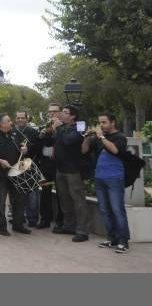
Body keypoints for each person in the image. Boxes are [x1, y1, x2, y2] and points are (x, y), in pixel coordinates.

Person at [82, 112, 128, 252]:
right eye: (100, 123)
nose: (101, 125)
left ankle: (123, 241)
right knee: (104, 210)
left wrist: (101, 136)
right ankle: (111, 238)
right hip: (99, 178)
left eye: (104, 122)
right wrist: (87, 138)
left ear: (112, 122)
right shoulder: (97, 138)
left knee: (117, 210)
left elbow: (114, 150)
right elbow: (84, 151)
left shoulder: (120, 137)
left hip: (115, 178)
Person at [0, 113, 31, 236]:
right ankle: (2, 227)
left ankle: (18, 225)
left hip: (16, 172)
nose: (11, 123)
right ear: (1, 124)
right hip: (0, 175)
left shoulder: (15, 133)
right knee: (1, 201)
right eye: (8, 121)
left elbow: (23, 146)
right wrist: (0, 161)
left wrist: (24, 149)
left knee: (19, 199)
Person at [52, 105, 88, 242]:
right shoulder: (62, 128)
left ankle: (82, 231)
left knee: (78, 201)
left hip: (73, 170)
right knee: (64, 200)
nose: (62, 114)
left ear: (73, 116)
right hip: (60, 169)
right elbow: (52, 142)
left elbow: (69, 140)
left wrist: (59, 128)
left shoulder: (80, 126)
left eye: (65, 113)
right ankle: (69, 226)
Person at [37, 103, 64, 229]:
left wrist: (55, 130)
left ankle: (60, 222)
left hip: (59, 166)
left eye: (54, 111)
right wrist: (42, 136)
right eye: (50, 111)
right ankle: (45, 220)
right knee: (45, 193)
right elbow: (42, 146)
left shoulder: (63, 127)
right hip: (46, 166)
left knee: (60, 195)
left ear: (60, 112)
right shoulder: (44, 127)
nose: (51, 114)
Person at [13, 111, 41, 227]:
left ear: (26, 119)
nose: (20, 120)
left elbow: (38, 148)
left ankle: (32, 219)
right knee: (18, 195)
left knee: (33, 195)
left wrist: (28, 149)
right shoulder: (12, 132)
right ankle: (19, 218)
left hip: (31, 166)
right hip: (17, 166)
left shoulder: (33, 132)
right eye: (18, 118)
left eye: (22, 118)